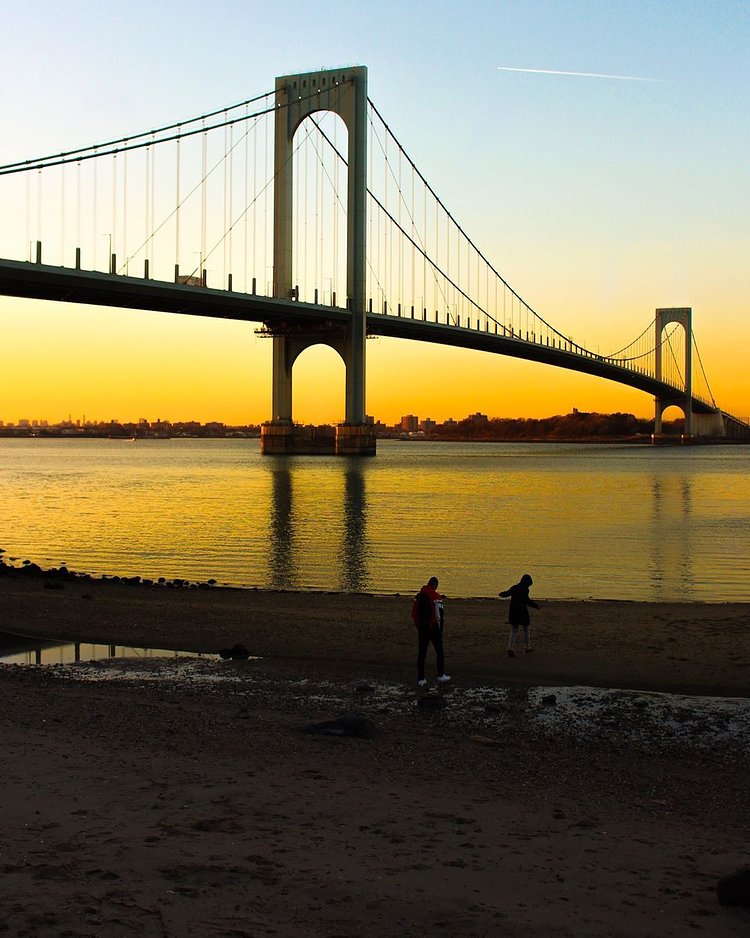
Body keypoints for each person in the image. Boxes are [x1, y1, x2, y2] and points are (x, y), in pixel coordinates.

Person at [412, 576, 451, 687]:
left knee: (422, 653)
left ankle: (421, 678)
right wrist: (440, 629)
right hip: (433, 628)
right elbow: (439, 615)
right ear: (435, 585)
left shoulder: (419, 596)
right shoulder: (436, 596)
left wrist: (418, 626)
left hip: (422, 628)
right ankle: (440, 675)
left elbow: (414, 614)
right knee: (439, 651)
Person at [499, 573, 539, 657]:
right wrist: (536, 606)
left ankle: (510, 648)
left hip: (513, 611)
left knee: (514, 629)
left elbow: (506, 594)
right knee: (526, 628)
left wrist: (501, 594)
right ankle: (527, 647)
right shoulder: (525, 589)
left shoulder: (514, 588)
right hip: (522, 610)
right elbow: (527, 601)